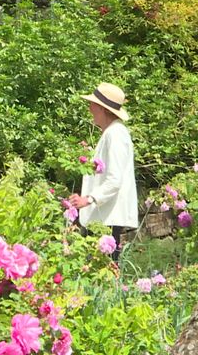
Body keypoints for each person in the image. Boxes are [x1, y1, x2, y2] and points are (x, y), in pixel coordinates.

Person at [69, 82, 139, 261]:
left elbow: (115, 179)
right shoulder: (111, 133)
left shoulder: (115, 134)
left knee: (105, 271)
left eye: (92, 104)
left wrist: (89, 199)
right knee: (102, 272)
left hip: (107, 216)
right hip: (103, 215)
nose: (90, 108)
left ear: (102, 108)